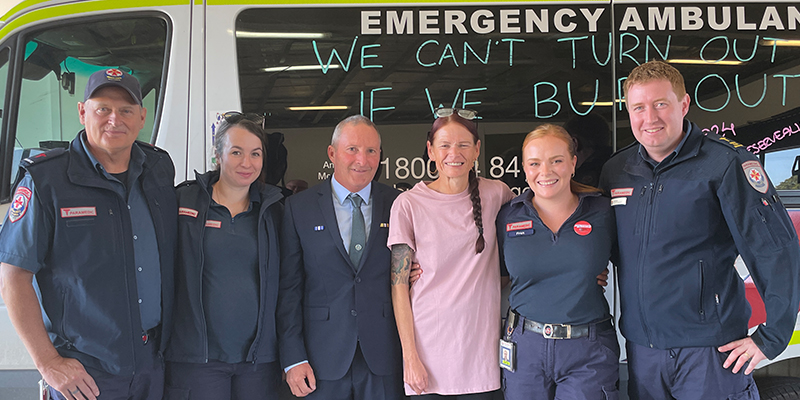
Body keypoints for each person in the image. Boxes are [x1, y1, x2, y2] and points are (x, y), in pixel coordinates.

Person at [599, 60, 800, 399]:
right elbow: (605, 243)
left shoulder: (724, 163)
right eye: (639, 107)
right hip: (642, 350)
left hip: (710, 351)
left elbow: (775, 249)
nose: (650, 118)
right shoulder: (617, 169)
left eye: (660, 104)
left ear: (683, 104)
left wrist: (773, 337)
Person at [0, 68, 177, 400]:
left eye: (126, 110)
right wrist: (49, 362)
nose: (115, 119)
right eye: (103, 109)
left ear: (142, 117)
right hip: (87, 371)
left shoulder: (158, 169)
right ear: (83, 112)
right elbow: (12, 276)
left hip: (154, 361)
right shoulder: (46, 181)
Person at [388, 108, 515, 399]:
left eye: (463, 144)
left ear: (477, 150)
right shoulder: (408, 204)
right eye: (444, 145)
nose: (453, 153)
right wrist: (410, 358)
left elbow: (539, 225)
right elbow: (398, 287)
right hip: (428, 359)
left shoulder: (497, 194)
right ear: (431, 150)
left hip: (482, 361)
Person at [277, 115, 404, 400]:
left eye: (372, 151)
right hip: (320, 359)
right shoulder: (299, 208)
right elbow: (288, 290)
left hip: (384, 357)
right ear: (332, 153)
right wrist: (293, 358)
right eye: (353, 149)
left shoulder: (399, 204)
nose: (363, 159)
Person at [164, 113, 284, 399]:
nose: (247, 162)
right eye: (236, 152)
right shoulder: (183, 201)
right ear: (217, 155)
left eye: (255, 154)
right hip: (196, 359)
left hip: (258, 361)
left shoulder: (275, 211)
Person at [497, 124, 618, 400]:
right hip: (525, 347)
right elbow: (492, 276)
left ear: (573, 163)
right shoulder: (508, 217)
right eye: (535, 163)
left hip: (587, 350)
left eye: (557, 161)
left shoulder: (603, 212)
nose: (545, 172)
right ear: (525, 168)